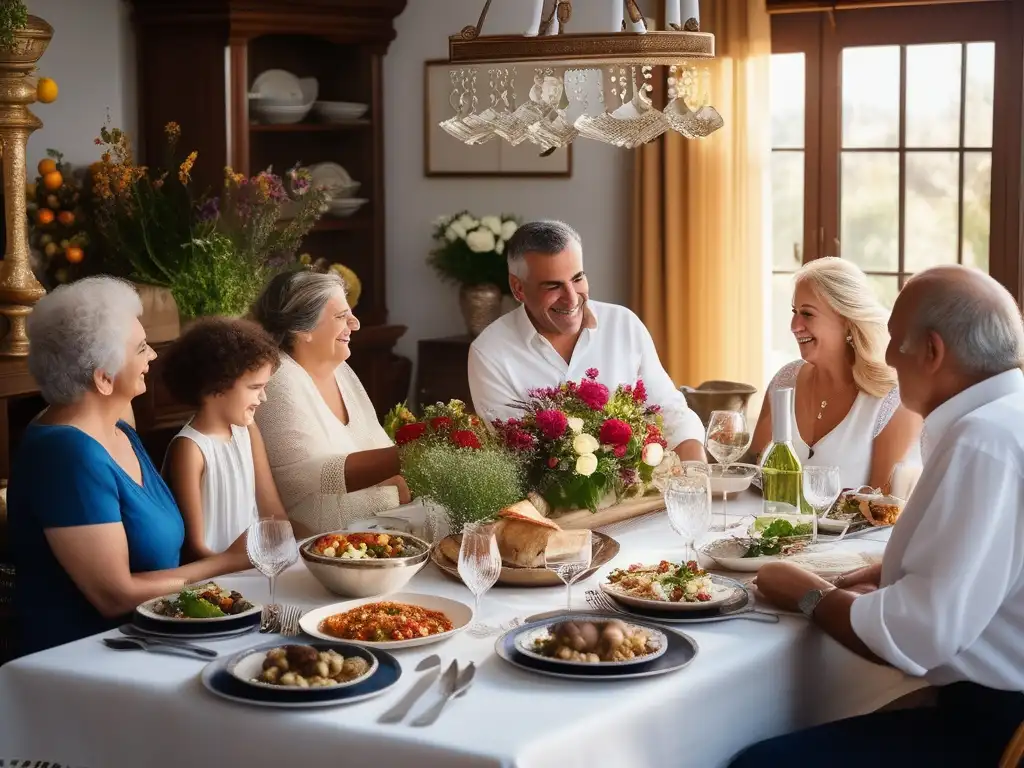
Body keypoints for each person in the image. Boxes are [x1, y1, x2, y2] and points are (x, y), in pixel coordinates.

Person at [736, 265, 1024, 766]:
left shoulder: (983, 442)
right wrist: (891, 571)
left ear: (932, 352)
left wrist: (806, 593)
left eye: (895, 340)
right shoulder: (1002, 419)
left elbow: (917, 635)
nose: (888, 356)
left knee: (753, 760)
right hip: (988, 702)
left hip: (992, 725)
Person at [7, 277, 251, 656]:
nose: (152, 356)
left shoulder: (116, 429)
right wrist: (226, 563)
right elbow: (114, 595)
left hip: (152, 641)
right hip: (81, 660)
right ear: (104, 379)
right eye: (140, 348)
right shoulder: (65, 454)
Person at [468, 219, 706, 461]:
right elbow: (519, 454)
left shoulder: (624, 325)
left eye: (578, 278)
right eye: (553, 286)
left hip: (639, 494)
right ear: (518, 288)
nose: (571, 299)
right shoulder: (489, 352)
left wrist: (696, 473)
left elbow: (669, 411)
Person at [251, 270, 407, 537]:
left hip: (373, 533)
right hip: (318, 547)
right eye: (341, 316)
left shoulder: (340, 370)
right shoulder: (278, 378)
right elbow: (315, 476)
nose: (355, 323)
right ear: (302, 330)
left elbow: (382, 455)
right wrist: (416, 453)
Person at [751, 257, 921, 492]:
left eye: (807, 314)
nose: (794, 325)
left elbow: (882, 509)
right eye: (794, 311)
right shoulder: (784, 381)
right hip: (769, 527)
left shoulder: (893, 400)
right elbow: (755, 477)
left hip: (857, 531)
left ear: (846, 320)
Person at [161, 318, 288, 559]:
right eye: (254, 387)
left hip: (255, 566)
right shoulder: (190, 449)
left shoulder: (247, 430)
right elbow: (195, 548)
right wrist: (241, 564)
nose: (263, 398)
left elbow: (274, 515)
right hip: (216, 580)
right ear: (217, 386)